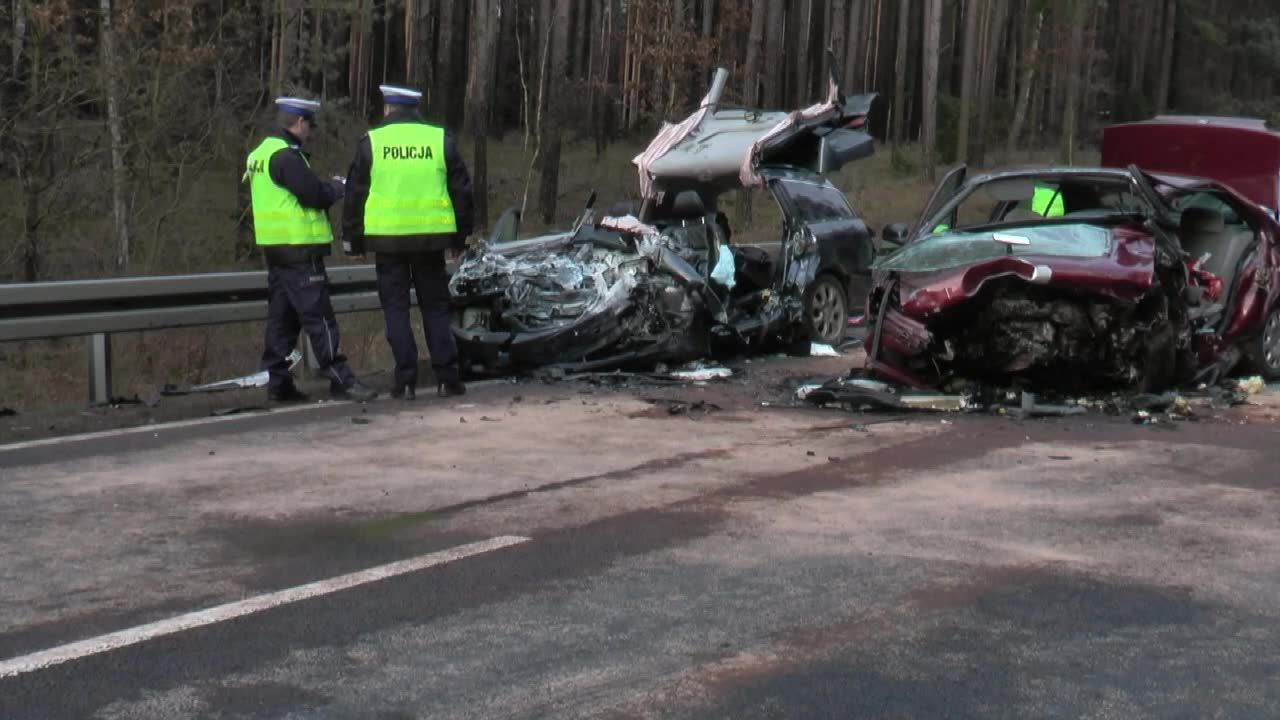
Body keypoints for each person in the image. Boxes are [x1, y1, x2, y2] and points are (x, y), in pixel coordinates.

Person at [343, 84, 475, 400]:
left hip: (388, 244)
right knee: (435, 309)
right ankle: (446, 378)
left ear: (388, 109)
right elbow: (462, 192)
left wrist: (353, 241)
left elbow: (355, 194)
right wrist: (460, 237)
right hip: (430, 243)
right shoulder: (439, 141)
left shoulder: (371, 143)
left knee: (396, 310)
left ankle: (405, 382)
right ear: (415, 109)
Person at [244, 96, 377, 402]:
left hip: (275, 251)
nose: (309, 133)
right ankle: (341, 379)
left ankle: (278, 383)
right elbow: (313, 195)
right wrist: (337, 186)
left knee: (282, 320)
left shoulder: (260, 153)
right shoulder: (286, 157)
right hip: (300, 251)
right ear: (300, 123)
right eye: (309, 127)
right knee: (320, 318)